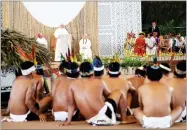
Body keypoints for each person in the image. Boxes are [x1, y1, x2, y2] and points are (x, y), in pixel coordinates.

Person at [61, 61, 128, 126]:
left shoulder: (72, 84)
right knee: (118, 92)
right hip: (105, 117)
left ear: (80, 72)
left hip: (91, 120)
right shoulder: (99, 82)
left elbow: (71, 105)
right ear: (92, 72)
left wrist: (68, 121)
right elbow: (109, 95)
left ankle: (114, 115)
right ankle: (124, 119)